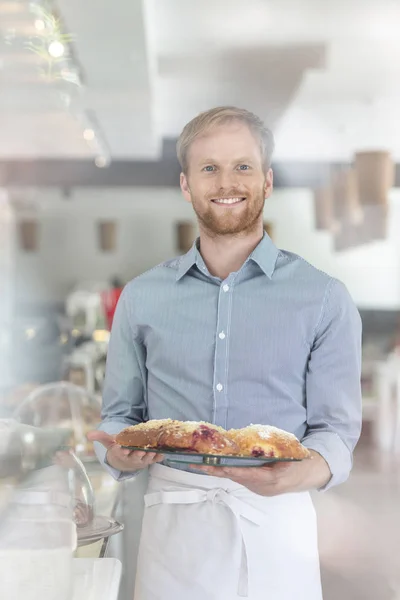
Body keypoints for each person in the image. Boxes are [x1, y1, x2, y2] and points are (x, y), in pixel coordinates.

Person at [88, 106, 362, 600]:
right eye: (208, 167)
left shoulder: (324, 298)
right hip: (174, 526)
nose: (226, 182)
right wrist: (119, 454)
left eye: (243, 166)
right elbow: (119, 417)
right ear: (186, 184)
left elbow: (336, 431)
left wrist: (307, 470)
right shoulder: (142, 296)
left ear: (268, 180)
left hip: (279, 520)